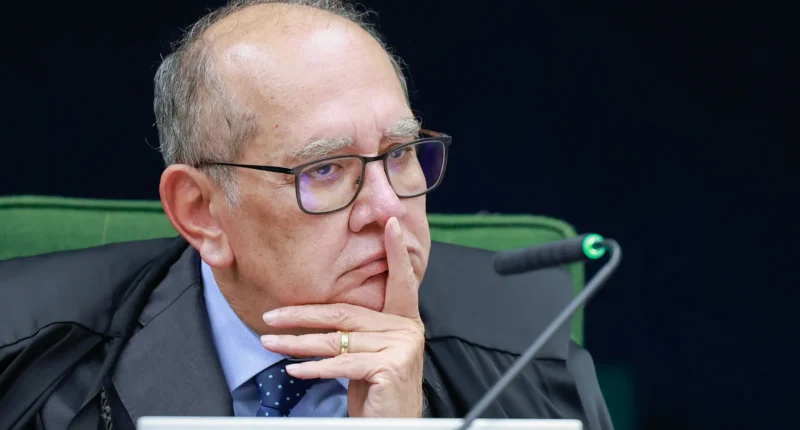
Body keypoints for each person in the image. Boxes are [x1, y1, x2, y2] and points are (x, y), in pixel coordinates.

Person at [0, 1, 614, 429]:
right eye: (324, 169)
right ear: (203, 212)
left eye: (399, 153)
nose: (387, 210)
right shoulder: (26, 361)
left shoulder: (530, 352)